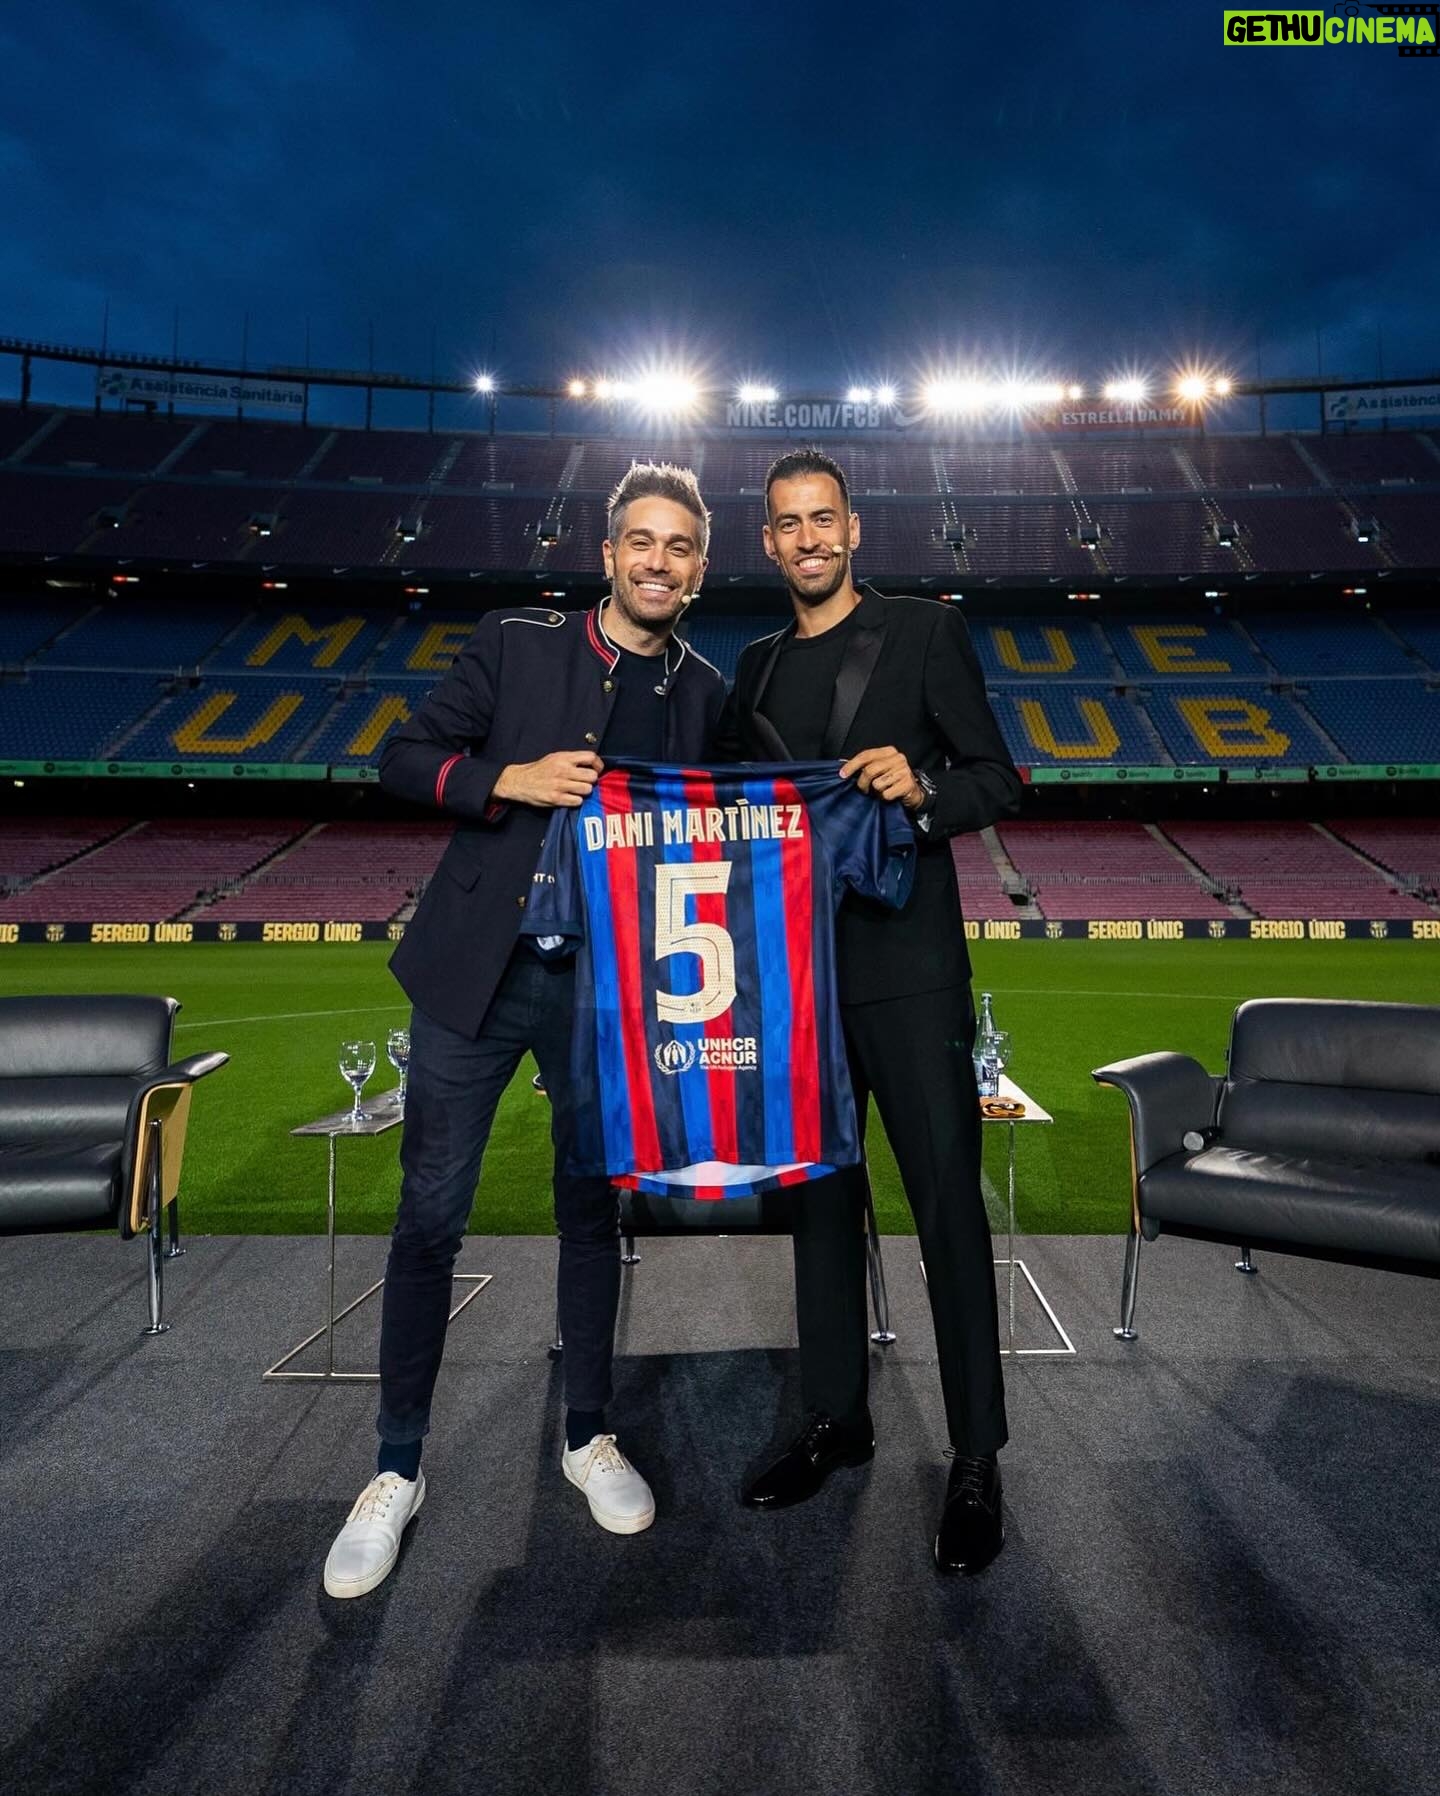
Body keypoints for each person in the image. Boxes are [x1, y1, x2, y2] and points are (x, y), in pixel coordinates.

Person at [323, 462, 725, 1599]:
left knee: (591, 1211)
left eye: (679, 545)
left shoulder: (707, 692)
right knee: (429, 1216)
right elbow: (402, 759)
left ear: (700, 569)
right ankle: (395, 1467)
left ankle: (586, 1434)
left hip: (607, 990)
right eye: (640, 540)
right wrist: (513, 777)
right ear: (608, 554)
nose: (657, 561)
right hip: (475, 974)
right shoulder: (514, 640)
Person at [716, 446, 1023, 1575]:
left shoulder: (926, 632)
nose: (808, 538)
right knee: (818, 1208)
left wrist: (923, 789)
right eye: (787, 523)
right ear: (768, 541)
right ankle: (836, 1418)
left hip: (910, 970)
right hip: (796, 982)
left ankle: (977, 1455)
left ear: (853, 529)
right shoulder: (751, 669)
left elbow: (998, 776)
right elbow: (725, 812)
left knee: (947, 1208)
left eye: (824, 519)